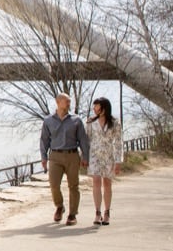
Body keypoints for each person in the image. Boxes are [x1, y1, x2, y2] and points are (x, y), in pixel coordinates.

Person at [40, 93, 90, 226]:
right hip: (55, 156)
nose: (69, 104)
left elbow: (83, 140)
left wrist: (85, 156)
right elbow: (44, 140)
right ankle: (59, 206)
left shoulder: (76, 120)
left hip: (72, 155)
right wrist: (43, 157)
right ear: (58, 102)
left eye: (69, 102)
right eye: (66, 102)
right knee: (54, 184)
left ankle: (72, 214)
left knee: (73, 186)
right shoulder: (48, 120)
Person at [85, 97, 123, 226]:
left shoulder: (115, 123)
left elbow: (118, 143)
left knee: (107, 183)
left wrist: (118, 161)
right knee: (96, 181)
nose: (95, 109)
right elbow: (87, 140)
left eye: (97, 106)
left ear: (103, 107)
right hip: (94, 155)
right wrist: (84, 156)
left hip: (108, 156)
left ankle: (107, 212)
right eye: (94, 107)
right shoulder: (90, 122)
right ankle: (97, 212)